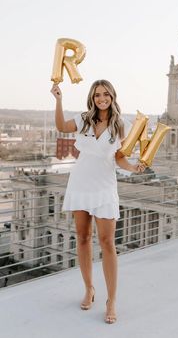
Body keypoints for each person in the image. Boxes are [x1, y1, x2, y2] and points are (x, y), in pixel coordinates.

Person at [51, 80, 145, 324]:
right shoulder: (83, 119)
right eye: (97, 95)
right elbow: (61, 125)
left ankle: (111, 300)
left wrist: (134, 168)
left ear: (112, 96)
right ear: (92, 98)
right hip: (81, 183)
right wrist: (59, 99)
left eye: (105, 94)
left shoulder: (120, 125)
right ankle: (89, 288)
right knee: (82, 238)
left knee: (107, 242)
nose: (101, 98)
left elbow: (119, 159)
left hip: (104, 187)